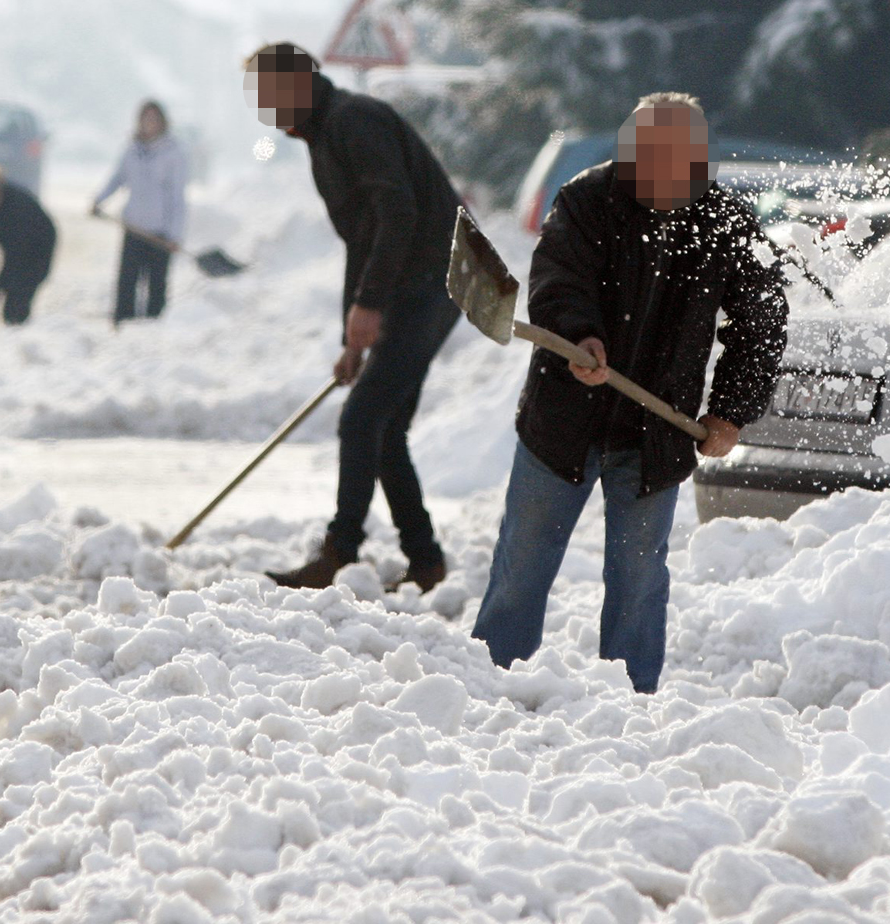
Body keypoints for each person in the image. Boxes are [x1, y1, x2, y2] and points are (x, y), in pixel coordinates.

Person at [470, 93, 790, 694]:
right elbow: (558, 281)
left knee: (639, 577)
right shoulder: (588, 201)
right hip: (564, 419)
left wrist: (731, 411)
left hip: (656, 432)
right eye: (649, 163)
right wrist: (578, 339)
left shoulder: (724, 221)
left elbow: (763, 317)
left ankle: (632, 697)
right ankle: (490, 678)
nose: (662, 178)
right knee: (524, 563)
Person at [245, 43, 462, 592]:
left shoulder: (352, 121)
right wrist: (354, 332)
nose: (263, 108)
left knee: (364, 418)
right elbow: (362, 240)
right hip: (410, 286)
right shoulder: (325, 134)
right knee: (384, 429)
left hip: (433, 282)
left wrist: (369, 305)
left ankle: (339, 551)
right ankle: (426, 560)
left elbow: (398, 211)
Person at [92, 100, 189, 325]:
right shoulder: (132, 150)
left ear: (162, 122)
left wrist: (175, 234)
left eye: (154, 119)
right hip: (134, 227)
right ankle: (123, 323)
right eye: (146, 118)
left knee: (156, 285)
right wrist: (99, 200)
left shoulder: (173, 153)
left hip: (160, 234)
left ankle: (153, 327)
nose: (149, 123)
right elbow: (118, 178)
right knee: (127, 281)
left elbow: (177, 197)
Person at [0, 163, 56, 326]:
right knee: (12, 295)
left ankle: (20, 335)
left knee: (19, 299)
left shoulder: (17, 209)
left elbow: (14, 255)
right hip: (19, 246)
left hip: (38, 246)